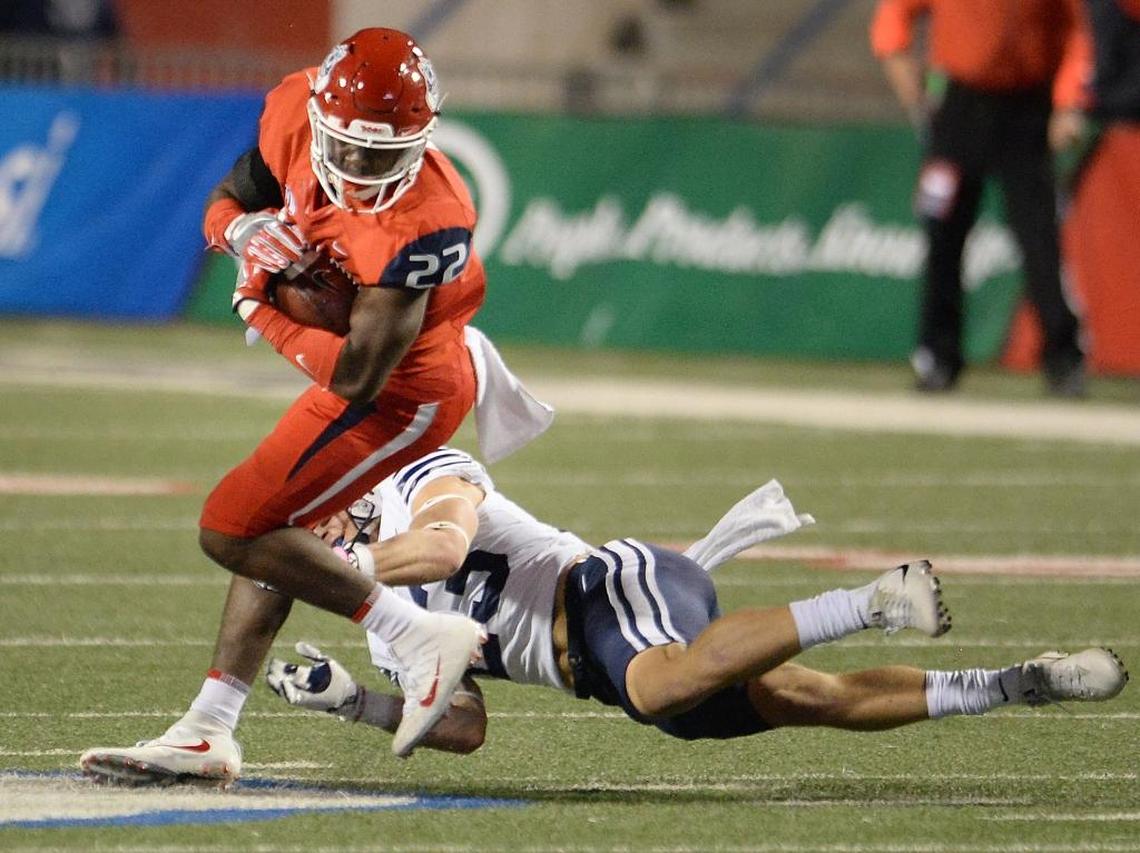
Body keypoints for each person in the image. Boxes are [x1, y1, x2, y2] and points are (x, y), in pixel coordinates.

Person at [79, 28, 492, 787]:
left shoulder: (430, 219)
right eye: (352, 148)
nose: (364, 168)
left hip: (410, 391)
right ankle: (209, 728)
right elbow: (231, 200)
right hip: (360, 378)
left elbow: (362, 375)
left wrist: (258, 303)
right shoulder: (293, 113)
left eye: (385, 154)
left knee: (231, 525)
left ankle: (420, 634)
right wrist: (240, 233)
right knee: (270, 523)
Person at [266, 448, 1128, 754]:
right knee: (805, 699)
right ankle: (1017, 682)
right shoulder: (383, 632)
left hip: (610, 588)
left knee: (659, 684)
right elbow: (463, 725)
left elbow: (446, 543)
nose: (323, 532)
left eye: (316, 520)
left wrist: (354, 563)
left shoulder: (417, 477)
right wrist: (356, 701)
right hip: (606, 670)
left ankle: (868, 600)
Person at [870, 0, 1091, 397]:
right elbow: (893, 18)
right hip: (959, 108)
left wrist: (1068, 102)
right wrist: (903, 72)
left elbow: (1079, 33)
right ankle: (937, 356)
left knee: (1039, 238)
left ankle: (1063, 358)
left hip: (1028, 109)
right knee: (942, 233)